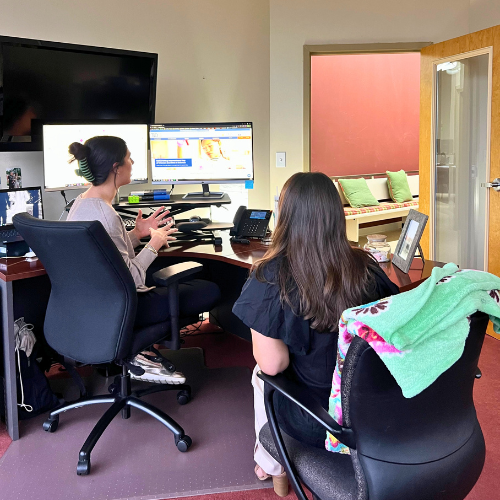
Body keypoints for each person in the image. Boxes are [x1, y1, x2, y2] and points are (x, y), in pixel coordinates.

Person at [232, 172, 399, 496]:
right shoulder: (366, 266)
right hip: (374, 411)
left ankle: (272, 464)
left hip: (318, 419)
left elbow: (273, 365)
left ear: (285, 216)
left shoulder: (271, 275)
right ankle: (272, 462)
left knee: (260, 375)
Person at [67, 136, 220, 384]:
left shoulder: (81, 203)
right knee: (209, 290)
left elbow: (106, 254)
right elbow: (132, 278)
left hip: (97, 306)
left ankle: (136, 351)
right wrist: (154, 244)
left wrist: (136, 234)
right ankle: (135, 351)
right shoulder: (106, 216)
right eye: (129, 158)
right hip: (125, 309)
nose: (133, 162)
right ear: (116, 168)